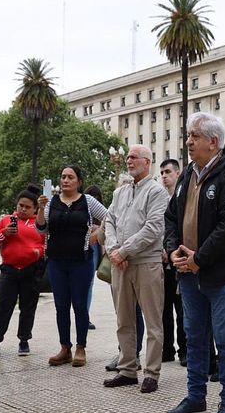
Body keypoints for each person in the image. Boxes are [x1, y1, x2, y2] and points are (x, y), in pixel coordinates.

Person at [164, 112, 225, 413]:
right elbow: (171, 216)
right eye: (188, 135)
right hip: (189, 272)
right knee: (195, 337)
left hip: (223, 275)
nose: (188, 141)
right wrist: (173, 247)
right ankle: (196, 397)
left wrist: (199, 257)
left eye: (194, 136)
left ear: (213, 142)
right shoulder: (188, 175)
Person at [102, 145, 169, 393]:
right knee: (124, 319)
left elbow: (153, 229)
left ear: (147, 162)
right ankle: (128, 369)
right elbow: (109, 221)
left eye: (133, 157)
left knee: (152, 321)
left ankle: (151, 373)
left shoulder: (157, 191)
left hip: (146, 263)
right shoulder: (120, 193)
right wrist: (113, 250)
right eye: (127, 157)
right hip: (120, 263)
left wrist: (124, 250)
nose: (129, 160)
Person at [36, 165, 108, 367]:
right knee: (61, 307)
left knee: (80, 306)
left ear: (79, 181)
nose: (66, 180)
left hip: (81, 262)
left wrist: (97, 235)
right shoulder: (51, 202)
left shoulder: (88, 201)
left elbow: (110, 217)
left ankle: (81, 347)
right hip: (56, 262)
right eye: (63, 177)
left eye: (70, 177)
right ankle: (64, 347)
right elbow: (41, 229)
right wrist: (41, 209)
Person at [0, 185, 46, 357]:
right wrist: (5, 233)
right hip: (9, 270)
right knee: (3, 307)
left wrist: (39, 252)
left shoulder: (39, 223)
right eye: (21, 205)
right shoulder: (6, 219)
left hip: (31, 270)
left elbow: (47, 244)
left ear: (35, 208)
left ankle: (24, 341)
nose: (23, 209)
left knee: (28, 307)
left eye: (27, 207)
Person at [160, 158, 187, 366]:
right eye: (161, 172)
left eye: (168, 172)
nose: (164, 176)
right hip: (160, 262)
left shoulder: (183, 195)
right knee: (163, 309)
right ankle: (166, 349)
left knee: (182, 310)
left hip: (179, 259)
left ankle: (184, 349)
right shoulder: (158, 198)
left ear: (177, 174)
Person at [84, 185, 104, 330]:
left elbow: (110, 219)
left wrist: (98, 229)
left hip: (96, 246)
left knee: (89, 282)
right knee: (85, 283)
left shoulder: (100, 213)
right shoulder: (82, 207)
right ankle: (83, 315)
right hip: (85, 245)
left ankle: (85, 316)